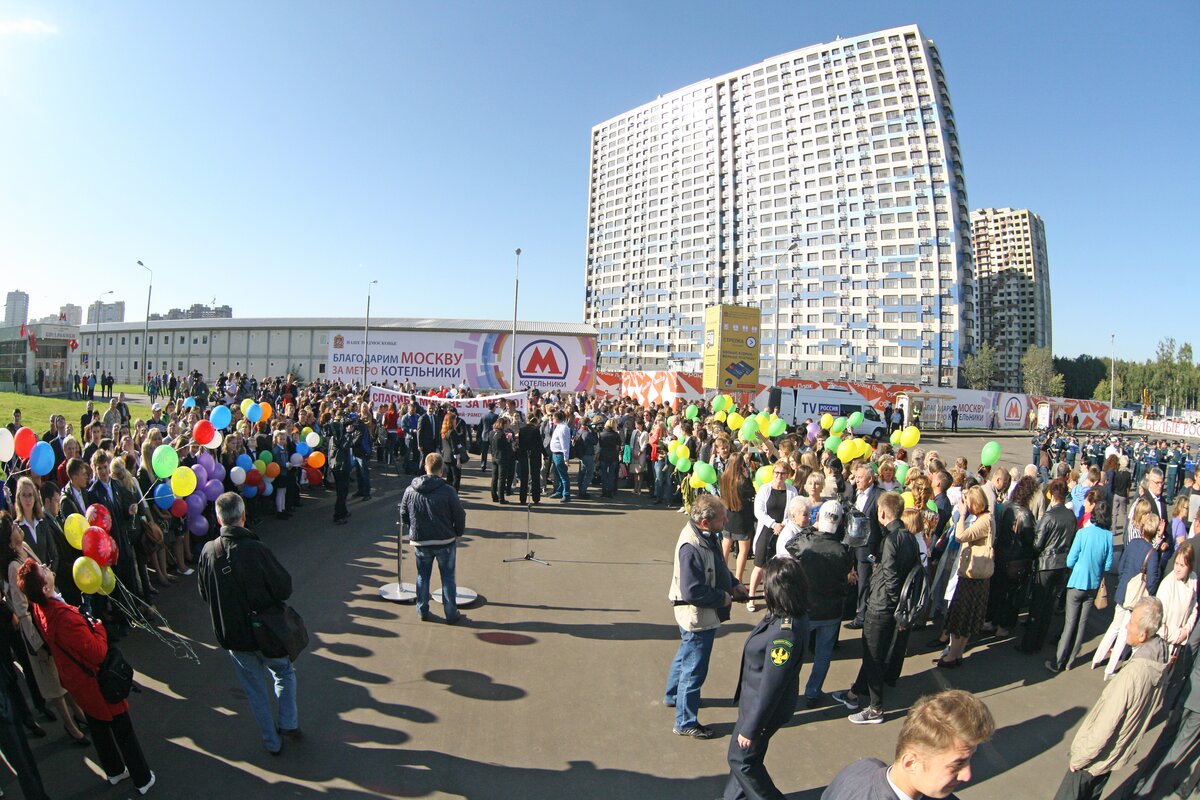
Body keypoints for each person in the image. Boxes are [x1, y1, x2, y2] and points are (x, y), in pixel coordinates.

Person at [18, 559, 156, 793]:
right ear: (44, 588)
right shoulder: (63, 618)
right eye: (42, 570)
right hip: (96, 682)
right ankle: (142, 778)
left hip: (79, 683)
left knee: (100, 728)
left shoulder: (42, 609)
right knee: (123, 729)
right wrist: (98, 627)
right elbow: (97, 652)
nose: (46, 567)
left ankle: (114, 771)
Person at [197, 493, 298, 755]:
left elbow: (204, 593)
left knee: (255, 692)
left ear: (218, 519)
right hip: (267, 632)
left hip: (235, 637)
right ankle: (288, 722)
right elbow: (284, 586)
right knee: (284, 673)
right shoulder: (256, 549)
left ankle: (271, 741)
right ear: (243, 516)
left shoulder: (208, 552)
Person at [1053, 596, 1169, 800]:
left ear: (1142, 635)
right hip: (1113, 756)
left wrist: (1080, 758)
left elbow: (1106, 723)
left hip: (1092, 760)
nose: (1126, 626)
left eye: (1131, 622)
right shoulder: (1159, 659)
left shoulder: (1133, 674)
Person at [722, 557, 808, 800]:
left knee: (742, 761)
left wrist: (751, 727)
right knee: (746, 759)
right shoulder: (785, 614)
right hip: (754, 703)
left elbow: (772, 685)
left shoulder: (785, 633)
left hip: (762, 710)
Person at [664, 494, 748, 739]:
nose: (725, 524)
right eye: (722, 520)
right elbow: (693, 591)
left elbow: (718, 566)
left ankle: (672, 696)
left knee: (685, 655)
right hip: (697, 616)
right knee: (694, 670)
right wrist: (722, 598)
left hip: (695, 616)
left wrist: (733, 583)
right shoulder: (691, 547)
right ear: (704, 522)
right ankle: (685, 721)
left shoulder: (707, 535)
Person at [832, 492, 918, 724]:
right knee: (874, 654)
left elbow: (890, 579)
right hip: (891, 607)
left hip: (882, 608)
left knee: (873, 657)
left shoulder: (891, 540)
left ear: (882, 513)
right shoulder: (908, 537)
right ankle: (853, 694)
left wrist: (889, 607)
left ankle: (875, 708)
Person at [822, 689, 995, 799]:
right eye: (957, 764)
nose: (967, 775)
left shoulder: (862, 767)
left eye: (969, 760)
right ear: (911, 763)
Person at [796, 500, 853, 709]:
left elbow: (790, 545)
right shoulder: (842, 550)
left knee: (798, 653)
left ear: (819, 517)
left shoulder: (808, 543)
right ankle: (813, 691)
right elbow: (847, 569)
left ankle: (789, 690)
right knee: (823, 654)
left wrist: (812, 527)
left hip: (808, 608)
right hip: (832, 610)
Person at [1047, 495, 1113, 673]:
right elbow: (1107, 564)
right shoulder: (1108, 537)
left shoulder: (1083, 533)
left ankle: (1058, 661)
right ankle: (1070, 660)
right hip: (1092, 585)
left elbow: (1070, 561)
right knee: (1081, 624)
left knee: (1070, 623)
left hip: (1076, 582)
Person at [1093, 512, 1162, 678]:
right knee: (1124, 633)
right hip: (1136, 598)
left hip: (1123, 591)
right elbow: (1152, 582)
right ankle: (1109, 669)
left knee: (1114, 627)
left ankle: (1097, 658)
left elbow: (1122, 565)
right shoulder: (1152, 554)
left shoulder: (1132, 543)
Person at [400, 453, 467, 624]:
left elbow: (403, 514)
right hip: (445, 540)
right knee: (448, 577)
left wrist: (413, 529)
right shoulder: (448, 490)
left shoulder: (410, 490)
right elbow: (459, 514)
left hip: (421, 540)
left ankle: (422, 609)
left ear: (425, 466)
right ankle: (451, 613)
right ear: (442, 470)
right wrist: (458, 532)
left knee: (422, 575)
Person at [1019, 479, 1077, 653]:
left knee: (1037, 605)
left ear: (1052, 495)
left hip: (1046, 564)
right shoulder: (1071, 517)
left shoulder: (1049, 516)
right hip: (1062, 565)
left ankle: (1029, 644)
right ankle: (1040, 641)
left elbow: (1038, 544)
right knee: (1049, 605)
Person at [748, 463, 796, 612]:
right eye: (776, 473)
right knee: (760, 565)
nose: (779, 476)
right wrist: (773, 524)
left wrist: (782, 525)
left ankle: (769, 597)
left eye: (782, 473)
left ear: (787, 475)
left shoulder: (792, 491)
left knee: (775, 567)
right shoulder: (765, 489)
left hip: (783, 532)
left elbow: (793, 511)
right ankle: (751, 597)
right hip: (766, 531)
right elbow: (759, 511)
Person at [516, 413, 543, 506]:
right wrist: (545, 454)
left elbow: (520, 444)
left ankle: (522, 498)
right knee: (535, 477)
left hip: (523, 455)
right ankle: (536, 498)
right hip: (534, 456)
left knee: (524, 477)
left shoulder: (521, 430)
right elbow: (540, 444)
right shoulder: (536, 430)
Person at [489, 418, 515, 505]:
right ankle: (501, 498)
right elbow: (505, 447)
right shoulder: (502, 434)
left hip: (494, 457)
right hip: (502, 458)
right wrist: (509, 441)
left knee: (494, 477)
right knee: (502, 478)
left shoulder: (492, 433)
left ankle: (494, 495)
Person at [548, 411, 572, 503]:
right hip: (555, 454)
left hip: (560, 454)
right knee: (558, 475)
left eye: (553, 418)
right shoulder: (559, 426)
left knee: (563, 475)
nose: (552, 419)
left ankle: (566, 494)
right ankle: (559, 491)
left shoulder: (563, 428)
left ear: (557, 418)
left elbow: (565, 444)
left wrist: (566, 458)